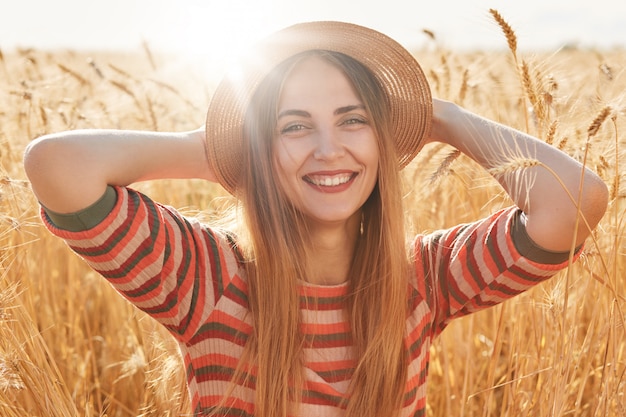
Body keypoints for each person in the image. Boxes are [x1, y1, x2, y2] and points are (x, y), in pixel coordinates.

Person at [23, 21, 608, 417]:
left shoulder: (425, 277)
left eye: (353, 120)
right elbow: (56, 164)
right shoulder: (206, 277)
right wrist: (223, 152)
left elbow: (575, 198)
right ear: (263, 145)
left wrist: (442, 118)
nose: (328, 150)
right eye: (293, 126)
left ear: (382, 140)